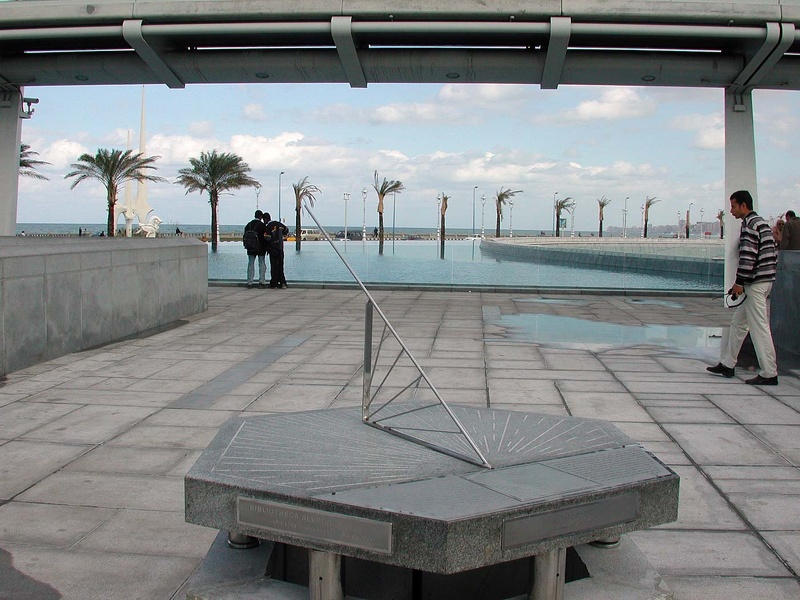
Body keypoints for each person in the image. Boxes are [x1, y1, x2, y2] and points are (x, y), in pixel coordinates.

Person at [707, 190, 778, 385]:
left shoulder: (749, 225)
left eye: (733, 206)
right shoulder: (762, 223)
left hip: (755, 284)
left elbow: (748, 256)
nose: (731, 210)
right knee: (739, 323)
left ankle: (769, 373)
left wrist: (739, 282)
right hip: (762, 281)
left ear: (743, 206)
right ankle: (727, 364)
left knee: (759, 328)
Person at [263, 212, 288, 289]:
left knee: (274, 266)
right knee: (281, 266)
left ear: (265, 219)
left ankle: (274, 283)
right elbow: (286, 230)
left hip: (273, 249)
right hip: (280, 248)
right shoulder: (279, 224)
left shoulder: (268, 227)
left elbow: (267, 238)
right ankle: (283, 283)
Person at [244, 209, 268, 288]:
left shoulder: (248, 225)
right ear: (261, 216)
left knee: (250, 264)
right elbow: (265, 236)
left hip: (250, 248)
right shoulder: (262, 225)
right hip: (260, 248)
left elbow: (245, 236)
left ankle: (249, 282)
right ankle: (261, 282)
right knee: (261, 264)